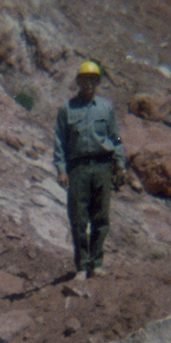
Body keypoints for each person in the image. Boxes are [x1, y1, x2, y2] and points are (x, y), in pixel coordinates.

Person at [53, 59, 126, 279]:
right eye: (84, 80)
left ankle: (96, 263)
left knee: (101, 217)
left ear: (98, 82)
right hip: (78, 169)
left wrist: (120, 164)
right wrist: (61, 170)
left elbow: (116, 137)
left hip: (102, 167)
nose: (88, 84)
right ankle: (82, 266)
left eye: (93, 80)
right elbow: (59, 142)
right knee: (78, 219)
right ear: (77, 81)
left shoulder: (106, 107)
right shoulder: (66, 109)